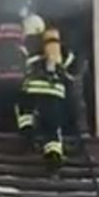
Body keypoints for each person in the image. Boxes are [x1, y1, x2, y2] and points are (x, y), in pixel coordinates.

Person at [14, 25, 77, 166]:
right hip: (55, 92)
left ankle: (27, 138)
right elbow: (71, 74)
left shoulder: (29, 47)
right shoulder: (63, 51)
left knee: (25, 114)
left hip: (33, 89)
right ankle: (53, 156)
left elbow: (21, 67)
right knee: (52, 126)